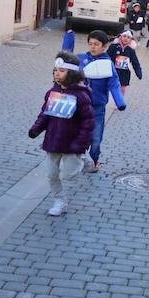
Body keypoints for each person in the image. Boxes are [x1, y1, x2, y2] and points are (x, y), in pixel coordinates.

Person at [29, 52, 95, 217]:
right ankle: (59, 201)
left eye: (62, 71)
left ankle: (83, 156)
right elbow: (45, 114)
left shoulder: (81, 95)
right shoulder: (53, 92)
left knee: (69, 175)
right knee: (52, 174)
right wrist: (36, 128)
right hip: (53, 140)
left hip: (72, 143)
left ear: (71, 73)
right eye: (55, 70)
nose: (57, 74)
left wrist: (80, 144)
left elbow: (88, 123)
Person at [79, 30, 126, 172]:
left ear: (104, 46)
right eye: (90, 44)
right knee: (79, 133)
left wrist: (120, 102)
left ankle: (94, 160)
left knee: (96, 136)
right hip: (81, 106)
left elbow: (114, 83)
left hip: (98, 107)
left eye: (96, 44)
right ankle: (79, 158)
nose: (93, 47)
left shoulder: (107, 64)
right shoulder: (82, 59)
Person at [107, 31, 142, 96]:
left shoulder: (131, 50)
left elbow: (135, 62)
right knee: (110, 88)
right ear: (120, 37)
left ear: (131, 40)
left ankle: (119, 101)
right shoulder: (113, 47)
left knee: (121, 91)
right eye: (124, 36)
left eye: (128, 37)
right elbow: (107, 57)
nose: (126, 38)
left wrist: (138, 73)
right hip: (113, 72)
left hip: (124, 74)